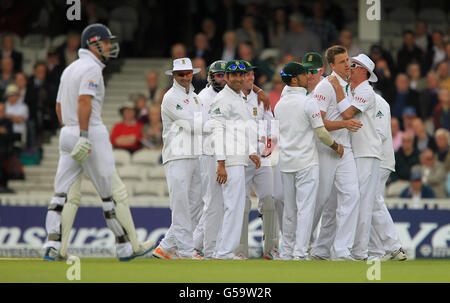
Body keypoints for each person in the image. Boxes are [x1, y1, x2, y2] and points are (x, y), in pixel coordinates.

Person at [42, 23, 153, 262]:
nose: (109, 46)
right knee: (114, 193)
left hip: (67, 133)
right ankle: (129, 246)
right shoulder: (92, 68)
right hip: (90, 133)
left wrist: (70, 132)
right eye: (105, 42)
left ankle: (55, 247)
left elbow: (59, 107)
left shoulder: (70, 68)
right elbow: (84, 101)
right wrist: (83, 135)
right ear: (93, 43)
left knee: (65, 194)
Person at [274, 61, 343, 260]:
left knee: (289, 209)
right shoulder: (308, 102)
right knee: (305, 209)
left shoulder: (279, 104)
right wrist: (336, 146)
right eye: (304, 75)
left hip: (287, 162)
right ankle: (300, 252)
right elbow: (321, 132)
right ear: (295, 80)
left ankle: (287, 251)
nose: (308, 77)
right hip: (306, 162)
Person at [309, 45, 362, 261]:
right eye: (342, 62)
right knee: (322, 202)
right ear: (332, 65)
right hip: (326, 148)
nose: (348, 64)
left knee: (352, 195)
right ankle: (299, 244)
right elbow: (318, 123)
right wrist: (345, 124)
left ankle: (340, 251)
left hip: (345, 149)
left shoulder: (348, 85)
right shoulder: (324, 86)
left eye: (348, 60)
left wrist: (345, 126)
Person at [332, 53, 382, 261]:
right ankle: (358, 250)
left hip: (366, 152)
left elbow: (347, 115)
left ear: (363, 71)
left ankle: (358, 251)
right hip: (360, 151)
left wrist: (335, 88)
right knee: (358, 200)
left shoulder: (364, 91)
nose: (349, 67)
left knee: (362, 202)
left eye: (353, 65)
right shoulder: (354, 89)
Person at [152, 57, 203, 260]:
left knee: (195, 206)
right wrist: (216, 127)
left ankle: (165, 247)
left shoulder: (195, 96)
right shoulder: (170, 97)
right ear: (174, 75)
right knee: (181, 204)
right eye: (181, 74)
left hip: (195, 153)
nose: (185, 77)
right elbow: (193, 125)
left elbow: (201, 122)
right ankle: (186, 251)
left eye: (188, 73)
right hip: (177, 156)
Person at [209, 59, 261, 260]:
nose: (239, 78)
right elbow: (217, 132)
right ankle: (224, 251)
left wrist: (250, 151)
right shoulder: (223, 99)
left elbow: (240, 129)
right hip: (229, 160)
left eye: (242, 75)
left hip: (238, 158)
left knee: (236, 205)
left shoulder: (238, 97)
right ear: (227, 77)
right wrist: (220, 163)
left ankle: (223, 249)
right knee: (233, 205)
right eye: (235, 75)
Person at [236, 61, 278, 260]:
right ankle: (240, 250)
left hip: (262, 158)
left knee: (270, 200)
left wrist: (269, 146)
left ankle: (271, 249)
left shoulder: (261, 98)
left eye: (252, 74)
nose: (251, 77)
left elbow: (271, 125)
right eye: (247, 74)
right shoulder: (231, 98)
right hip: (241, 159)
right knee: (242, 204)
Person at [368, 93, 407, 261]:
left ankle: (394, 246)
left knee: (372, 200)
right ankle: (376, 249)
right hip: (370, 159)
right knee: (366, 203)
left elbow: (379, 133)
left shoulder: (379, 102)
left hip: (379, 159)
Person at [387, 131, 420, 197]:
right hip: (398, 182)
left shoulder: (418, 155)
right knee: (390, 191)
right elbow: (392, 170)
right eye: (404, 141)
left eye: (408, 141)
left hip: (413, 183)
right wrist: (396, 180)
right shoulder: (396, 155)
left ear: (412, 142)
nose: (406, 143)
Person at [0, 102, 15, 193]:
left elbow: (10, 136)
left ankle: (3, 184)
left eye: (2, 111)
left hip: (5, 148)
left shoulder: (8, 122)